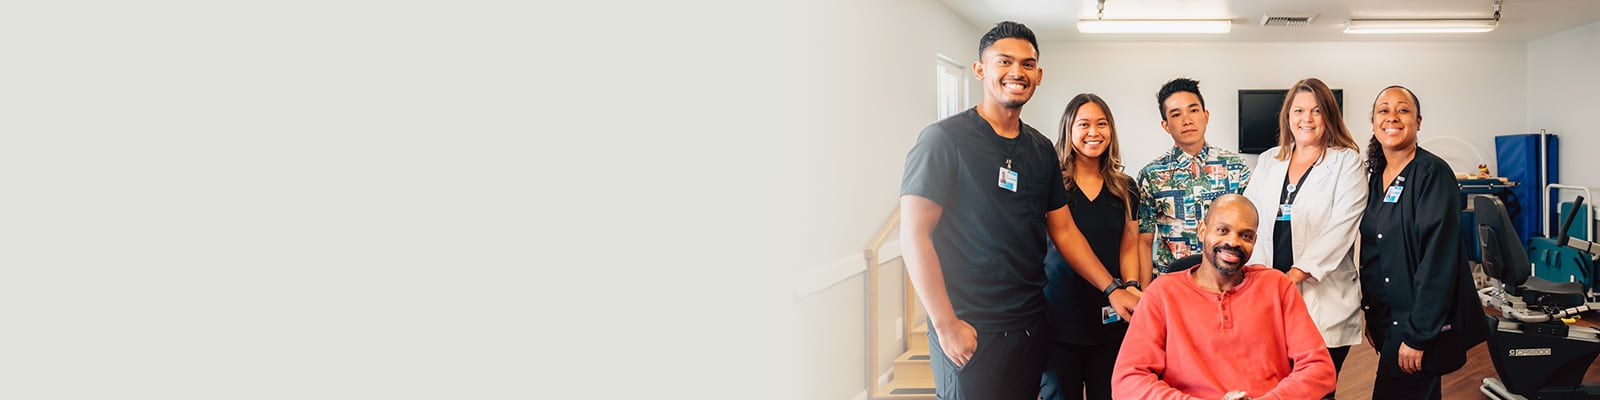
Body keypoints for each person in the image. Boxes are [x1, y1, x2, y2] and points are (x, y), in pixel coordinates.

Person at [899, 22, 1140, 400]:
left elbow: (1064, 231)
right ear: (980, 69)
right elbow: (914, 235)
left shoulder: (1040, 150)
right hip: (970, 323)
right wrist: (946, 324)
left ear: (1039, 75)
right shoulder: (943, 140)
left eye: (1027, 65)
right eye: (1004, 62)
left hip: (1030, 321)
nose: (1017, 73)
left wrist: (1112, 288)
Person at [1112, 194, 1336, 400]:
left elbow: (1319, 369)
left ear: (1254, 242)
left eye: (1245, 235)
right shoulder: (1162, 293)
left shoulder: (1277, 287)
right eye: (1222, 230)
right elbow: (1128, 380)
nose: (1233, 242)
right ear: (1202, 230)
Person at [1358, 85, 1488, 400]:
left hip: (1418, 326)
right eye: (1383, 110)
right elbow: (1377, 249)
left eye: (1402, 109)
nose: (1392, 117)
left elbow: (1438, 262)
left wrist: (1418, 336)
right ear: (1374, 122)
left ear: (1418, 121)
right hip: (1391, 322)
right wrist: (1375, 318)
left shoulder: (1432, 173)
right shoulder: (1377, 175)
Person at [1239, 78, 1366, 399]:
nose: (1306, 119)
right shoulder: (1270, 160)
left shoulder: (1346, 162)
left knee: (1316, 392)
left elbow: (1341, 229)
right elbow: (1248, 218)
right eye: (1298, 110)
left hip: (1321, 297)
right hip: (1269, 300)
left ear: (1329, 116)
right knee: (1275, 390)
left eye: (1316, 111)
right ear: (1287, 116)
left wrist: (1293, 277)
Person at [1038, 93, 1143, 400]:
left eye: (1101, 124)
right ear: (1069, 131)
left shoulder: (1126, 188)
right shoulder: (1051, 183)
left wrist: (1133, 285)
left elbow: (1129, 243)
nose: (1093, 132)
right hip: (1058, 318)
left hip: (1110, 317)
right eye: (1084, 124)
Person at [1138, 77, 1253, 283]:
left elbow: (1249, 233)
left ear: (1206, 115)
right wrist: (1146, 295)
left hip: (1226, 282)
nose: (1187, 120)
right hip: (1172, 284)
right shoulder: (1152, 174)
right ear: (1165, 125)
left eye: (1193, 110)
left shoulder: (1236, 168)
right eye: (1176, 114)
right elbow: (1144, 242)